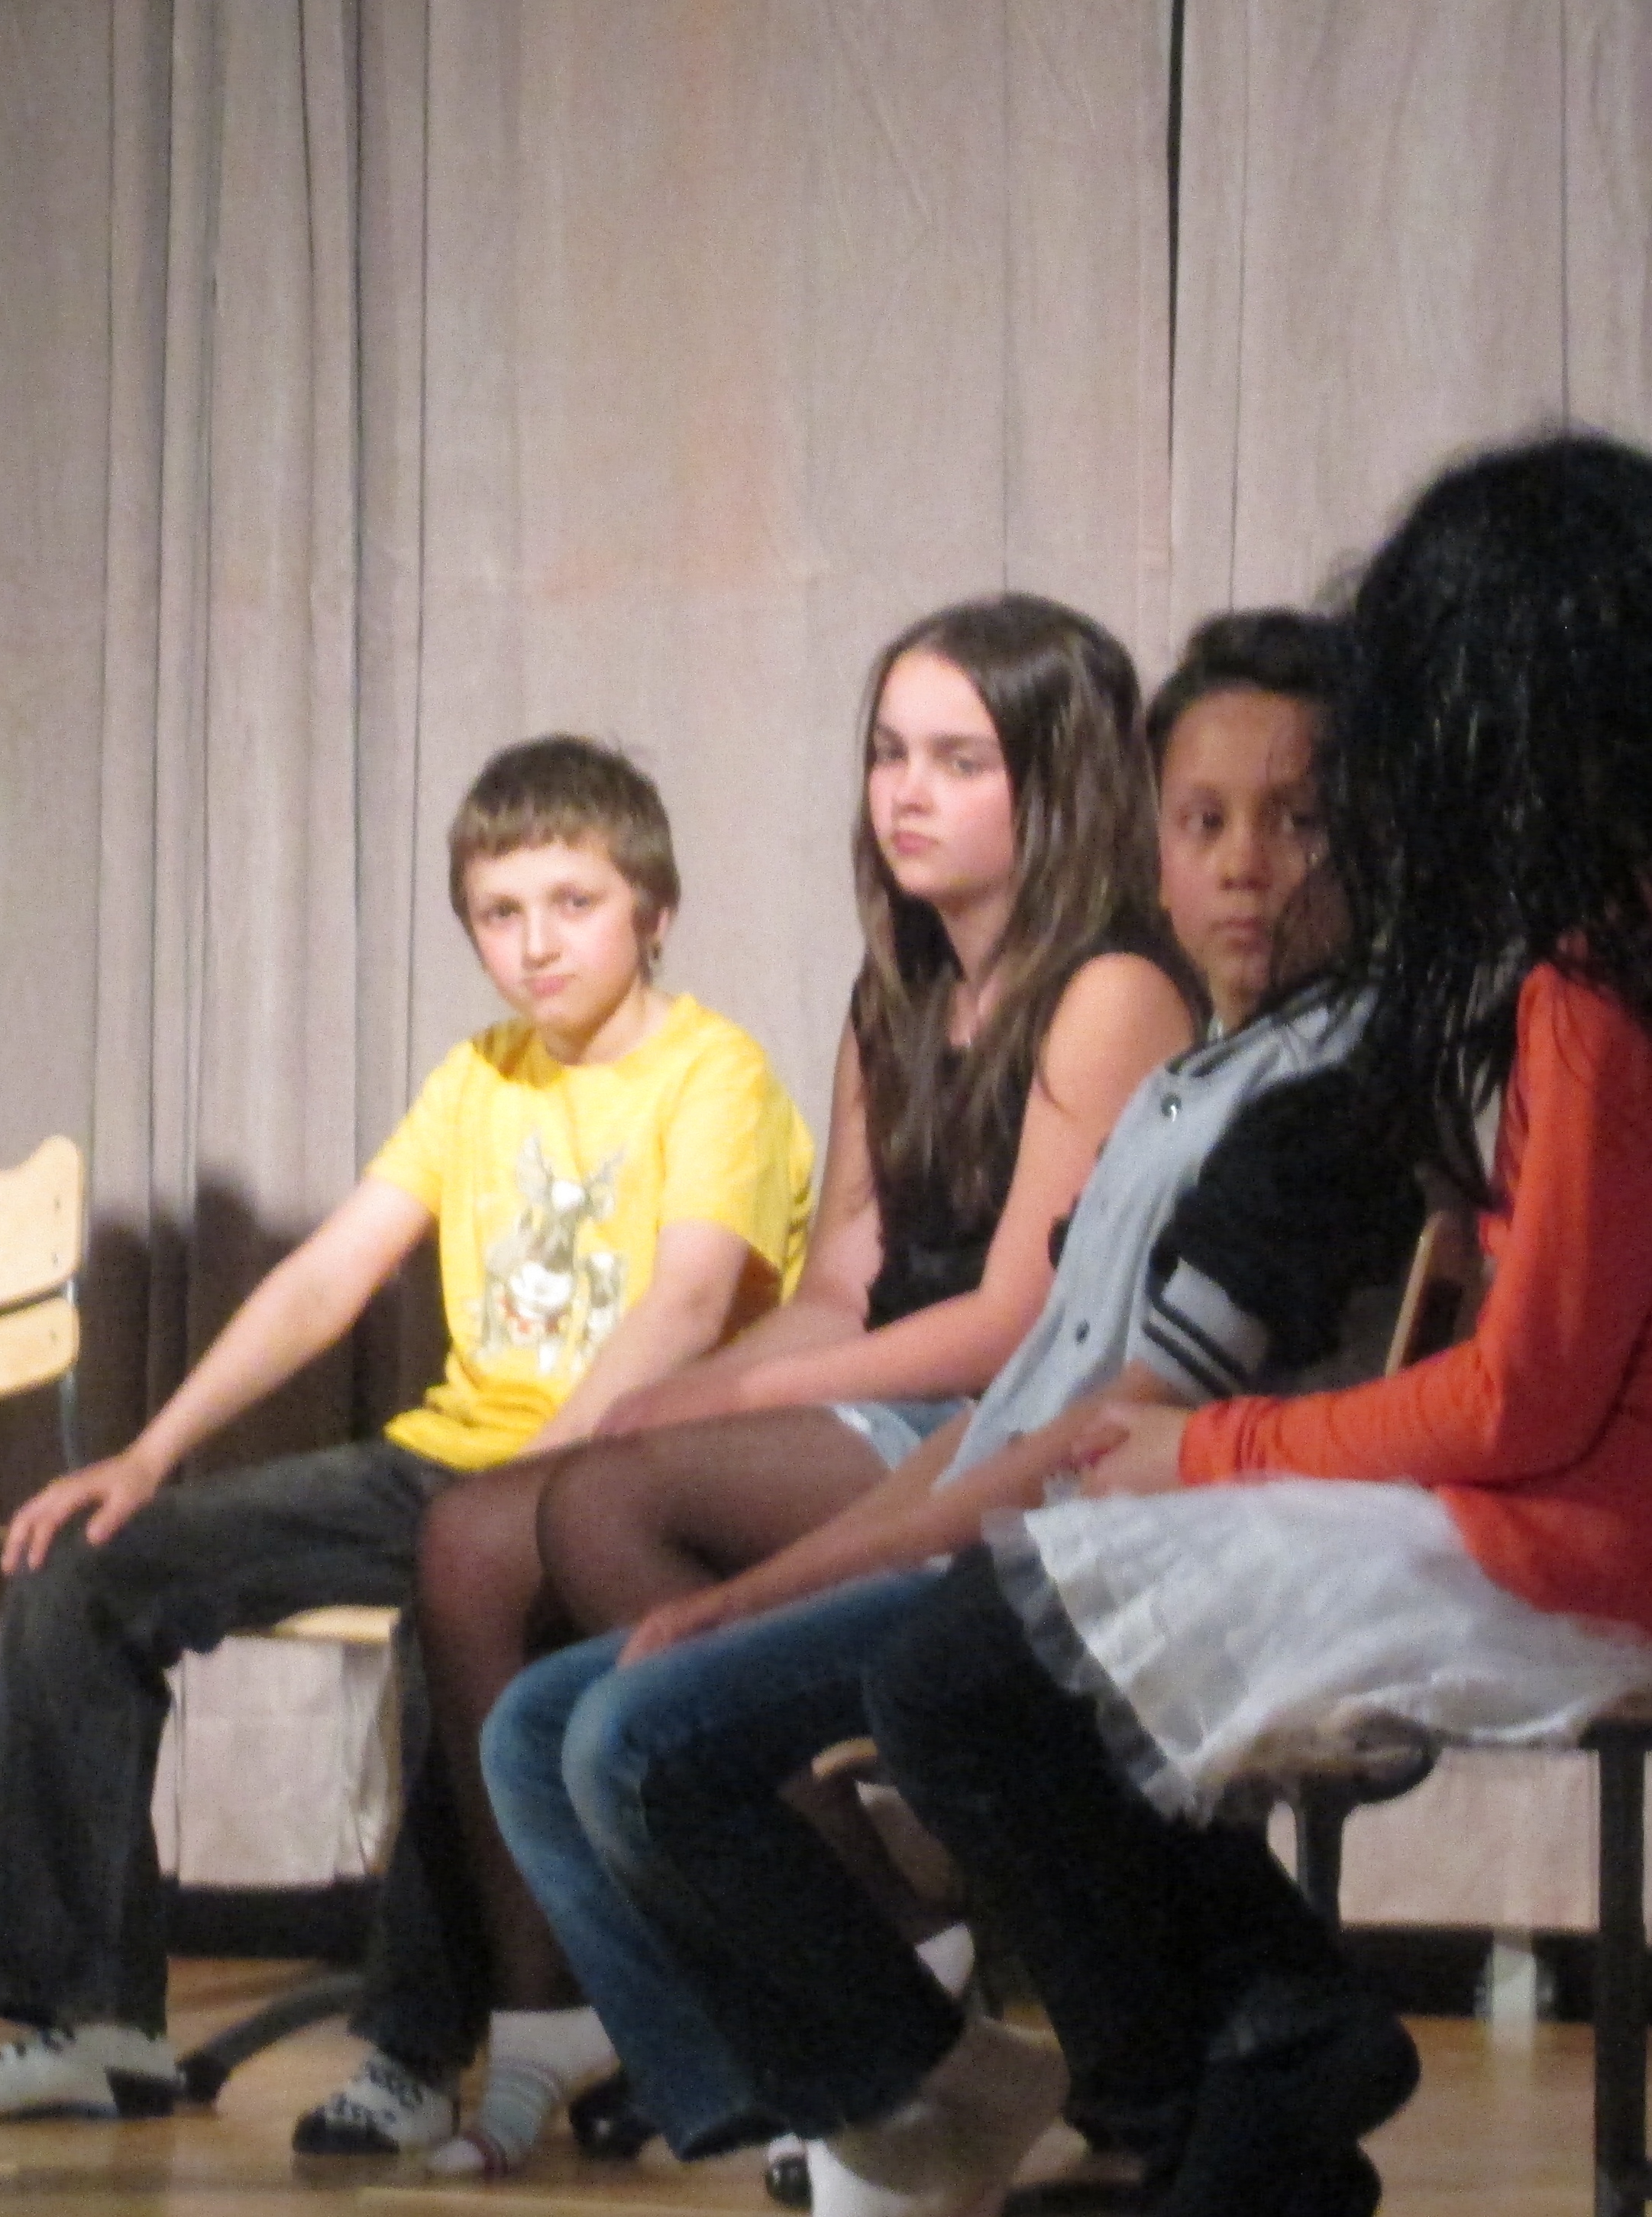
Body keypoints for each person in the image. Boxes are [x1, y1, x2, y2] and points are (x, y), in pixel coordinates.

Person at [737, 434, 1652, 2217]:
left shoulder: (1610, 981)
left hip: (1602, 1553)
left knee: (969, 1670)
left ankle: (1216, 2077)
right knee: (993, 1654)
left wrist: (1210, 1444)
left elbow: (1521, 1399)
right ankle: (1252, 2078)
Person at [476, 610, 1426, 2201]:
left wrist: (776, 1569)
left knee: (667, 1724)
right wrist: (736, 1497)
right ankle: (908, 2088)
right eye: (1204, 822)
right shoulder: (1178, 1070)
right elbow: (983, 1365)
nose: (1246, 866)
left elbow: (1075, 1400)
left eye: (1296, 820)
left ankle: (1127, 2076)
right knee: (533, 1721)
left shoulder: (1244, 1056)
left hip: (1125, 1535)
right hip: (1018, 1491)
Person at [362, 597, 1196, 2173]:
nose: (905, 791)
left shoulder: (1107, 988)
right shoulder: (899, 989)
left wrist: (725, 1410)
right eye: (889, 752)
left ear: (1059, 783)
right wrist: (687, 1394)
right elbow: (840, 1284)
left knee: (605, 1505)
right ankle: (568, 2013)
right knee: (480, 1528)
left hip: (1016, 1422)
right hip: (889, 1392)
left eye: (958, 759)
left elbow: (1016, 1319)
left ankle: (883, 1943)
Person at [0, 736, 816, 2130]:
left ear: (654, 910)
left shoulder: (715, 1074)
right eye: (499, 913)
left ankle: (412, 2053)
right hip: (449, 1459)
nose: (535, 943)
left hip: (616, 1484)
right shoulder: (482, 1074)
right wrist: (149, 1452)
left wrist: (540, 1475)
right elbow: (328, 1274)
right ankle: (92, 2019)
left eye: (572, 903)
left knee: (465, 1591)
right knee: (84, 1568)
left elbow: (689, 1301)